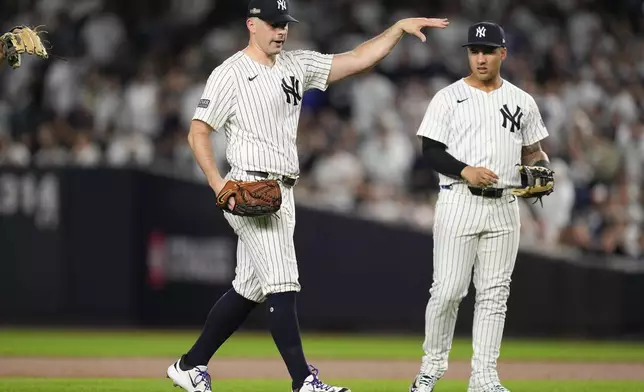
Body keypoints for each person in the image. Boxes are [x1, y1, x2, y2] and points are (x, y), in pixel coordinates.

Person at [166, 1, 449, 392]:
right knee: (283, 283)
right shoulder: (229, 73)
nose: (281, 30)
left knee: (250, 287)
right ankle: (304, 382)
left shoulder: (296, 65)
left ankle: (189, 364)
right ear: (252, 24)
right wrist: (219, 185)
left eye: (285, 23)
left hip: (283, 190)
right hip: (247, 188)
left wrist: (397, 29)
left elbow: (358, 58)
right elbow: (198, 132)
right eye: (272, 23)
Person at [410, 22, 552, 392]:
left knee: (494, 293)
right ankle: (431, 367)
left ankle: (484, 377)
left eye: (488, 50)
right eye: (474, 50)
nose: (480, 57)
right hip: (459, 199)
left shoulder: (522, 101)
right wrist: (465, 170)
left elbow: (534, 151)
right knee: (447, 291)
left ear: (502, 53)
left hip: (505, 205)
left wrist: (542, 164)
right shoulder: (448, 97)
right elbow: (430, 151)